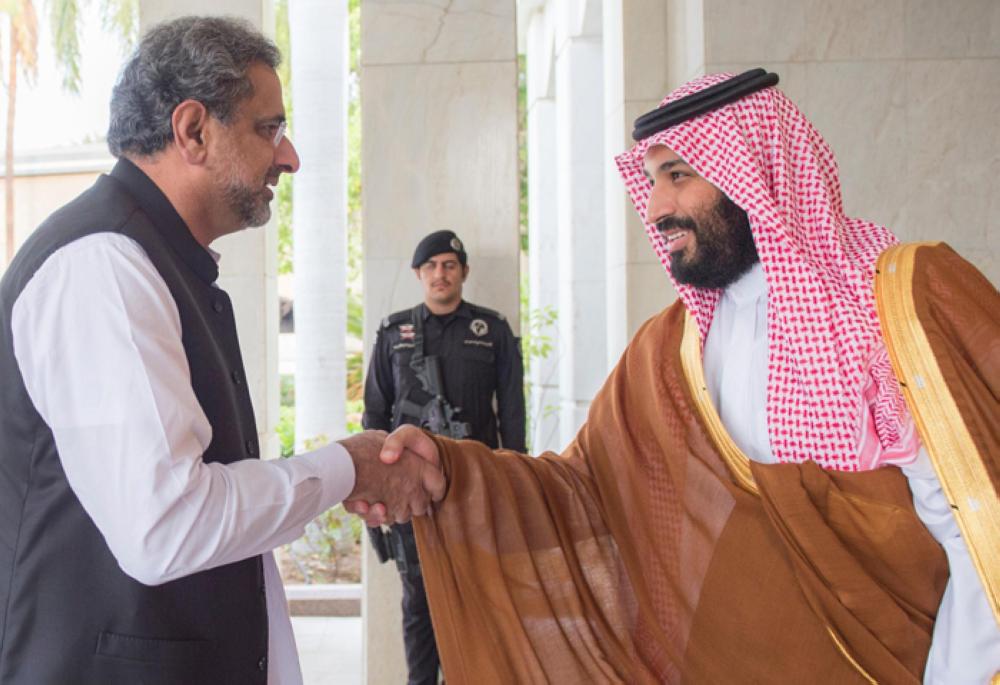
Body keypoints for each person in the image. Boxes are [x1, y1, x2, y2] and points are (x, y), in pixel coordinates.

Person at [375, 70, 1000, 683]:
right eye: (651, 180)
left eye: (679, 174)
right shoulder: (670, 349)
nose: (656, 207)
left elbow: (979, 522)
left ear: (755, 170)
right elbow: (585, 491)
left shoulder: (900, 301)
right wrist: (452, 470)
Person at [0, 16, 441, 684]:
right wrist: (347, 467)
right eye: (268, 128)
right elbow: (168, 525)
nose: (288, 156)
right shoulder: (103, 267)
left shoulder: (154, 261)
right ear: (194, 130)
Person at [362, 229, 526, 684]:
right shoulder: (395, 332)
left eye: (449, 265)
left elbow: (512, 413)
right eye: (431, 266)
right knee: (418, 600)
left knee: (479, 595)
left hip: (477, 486)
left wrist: (514, 482)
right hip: (410, 488)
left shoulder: (490, 331)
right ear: (418, 274)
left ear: (463, 273)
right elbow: (375, 414)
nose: (440, 274)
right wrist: (376, 486)